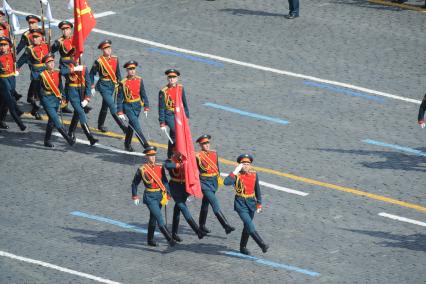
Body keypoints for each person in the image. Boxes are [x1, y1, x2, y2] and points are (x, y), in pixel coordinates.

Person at [131, 146, 176, 247]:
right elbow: (134, 183)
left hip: (160, 195)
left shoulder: (160, 167)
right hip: (150, 197)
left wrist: (168, 194)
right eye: (150, 156)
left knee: (153, 218)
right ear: (147, 157)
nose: (153, 157)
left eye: (154, 155)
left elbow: (164, 181)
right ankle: (170, 240)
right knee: (159, 218)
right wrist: (135, 196)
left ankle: (150, 240)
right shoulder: (142, 170)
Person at [224, 154, 269, 255]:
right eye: (243, 164)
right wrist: (235, 171)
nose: (246, 166)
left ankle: (242, 247)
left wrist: (259, 203)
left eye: (248, 164)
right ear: (240, 165)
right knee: (249, 224)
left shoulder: (254, 173)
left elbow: (257, 189)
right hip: (241, 204)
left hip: (251, 203)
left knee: (246, 226)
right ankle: (262, 245)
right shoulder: (237, 175)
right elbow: (226, 182)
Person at [196, 134, 235, 235]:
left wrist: (218, 179)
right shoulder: (198, 156)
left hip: (214, 182)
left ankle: (201, 225)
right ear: (200, 145)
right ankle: (226, 226)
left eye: (208, 142)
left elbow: (217, 168)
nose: (207, 145)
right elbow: (193, 171)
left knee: (205, 203)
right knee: (214, 203)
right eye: (204, 143)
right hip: (204, 183)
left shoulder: (214, 153)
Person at [165, 150, 207, 242]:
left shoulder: (187, 160)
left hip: (185, 189)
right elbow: (167, 165)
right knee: (183, 207)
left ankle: (174, 233)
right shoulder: (170, 160)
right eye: (177, 150)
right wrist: (179, 165)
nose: (180, 153)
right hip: (174, 188)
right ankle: (197, 231)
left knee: (177, 209)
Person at [60, 52, 98, 145]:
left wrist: (87, 98)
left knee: (77, 113)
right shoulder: (67, 66)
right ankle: (90, 137)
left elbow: (88, 84)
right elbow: (62, 72)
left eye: (77, 57)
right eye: (74, 57)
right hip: (72, 93)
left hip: (82, 92)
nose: (76, 59)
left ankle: (70, 132)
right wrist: (75, 68)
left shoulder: (84, 68)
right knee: (81, 112)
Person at [90, 40, 126, 133]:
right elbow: (91, 74)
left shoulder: (115, 59)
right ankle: (124, 128)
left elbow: (118, 73)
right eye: (106, 49)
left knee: (105, 106)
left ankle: (100, 125)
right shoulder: (99, 62)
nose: (108, 50)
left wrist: (120, 84)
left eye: (109, 48)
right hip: (103, 86)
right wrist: (92, 86)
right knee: (112, 106)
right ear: (102, 50)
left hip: (112, 86)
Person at [38, 54, 75, 147]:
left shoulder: (57, 72)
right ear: (45, 65)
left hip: (55, 99)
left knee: (51, 121)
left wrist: (63, 97)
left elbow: (60, 87)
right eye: (49, 63)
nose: (51, 64)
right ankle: (68, 139)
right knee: (56, 120)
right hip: (47, 100)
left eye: (52, 62)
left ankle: (47, 140)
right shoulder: (42, 76)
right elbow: (38, 91)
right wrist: (43, 101)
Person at [117, 60, 150, 151]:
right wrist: (120, 111)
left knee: (131, 126)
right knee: (136, 126)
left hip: (137, 106)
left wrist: (146, 106)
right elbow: (119, 98)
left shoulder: (140, 80)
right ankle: (146, 146)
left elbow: (143, 94)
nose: (132, 71)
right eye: (130, 69)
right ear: (127, 70)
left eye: (133, 69)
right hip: (128, 107)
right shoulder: (123, 83)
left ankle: (127, 144)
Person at [17, 28, 49, 120]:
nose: (34, 39)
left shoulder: (46, 45)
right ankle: (36, 110)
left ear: (41, 38)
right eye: (33, 37)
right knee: (39, 95)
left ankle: (34, 108)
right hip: (36, 75)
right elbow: (22, 59)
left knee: (43, 94)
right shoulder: (30, 49)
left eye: (36, 37)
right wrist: (17, 68)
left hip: (46, 74)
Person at [158, 69, 189, 158]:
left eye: (173, 77)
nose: (171, 79)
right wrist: (162, 122)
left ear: (177, 79)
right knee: (176, 131)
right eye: (170, 77)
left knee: (173, 135)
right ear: (167, 79)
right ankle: (178, 152)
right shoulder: (163, 91)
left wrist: (186, 116)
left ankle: (169, 155)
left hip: (179, 114)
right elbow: (161, 108)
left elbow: (184, 103)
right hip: (169, 114)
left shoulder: (180, 88)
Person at [50, 20, 77, 114]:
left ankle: (65, 104)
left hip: (74, 62)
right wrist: (55, 45)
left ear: (70, 30)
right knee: (71, 82)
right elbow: (52, 51)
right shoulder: (60, 41)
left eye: (67, 29)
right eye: (63, 30)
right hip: (65, 64)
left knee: (71, 84)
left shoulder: (75, 38)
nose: (65, 31)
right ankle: (74, 102)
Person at [0, 36, 26, 131]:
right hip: (2, 82)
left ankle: (1, 121)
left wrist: (16, 69)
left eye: (5, 45)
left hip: (12, 79)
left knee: (3, 103)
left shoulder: (12, 54)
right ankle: (20, 123)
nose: (2, 47)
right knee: (10, 102)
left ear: (9, 46)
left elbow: (16, 63)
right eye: (1, 45)